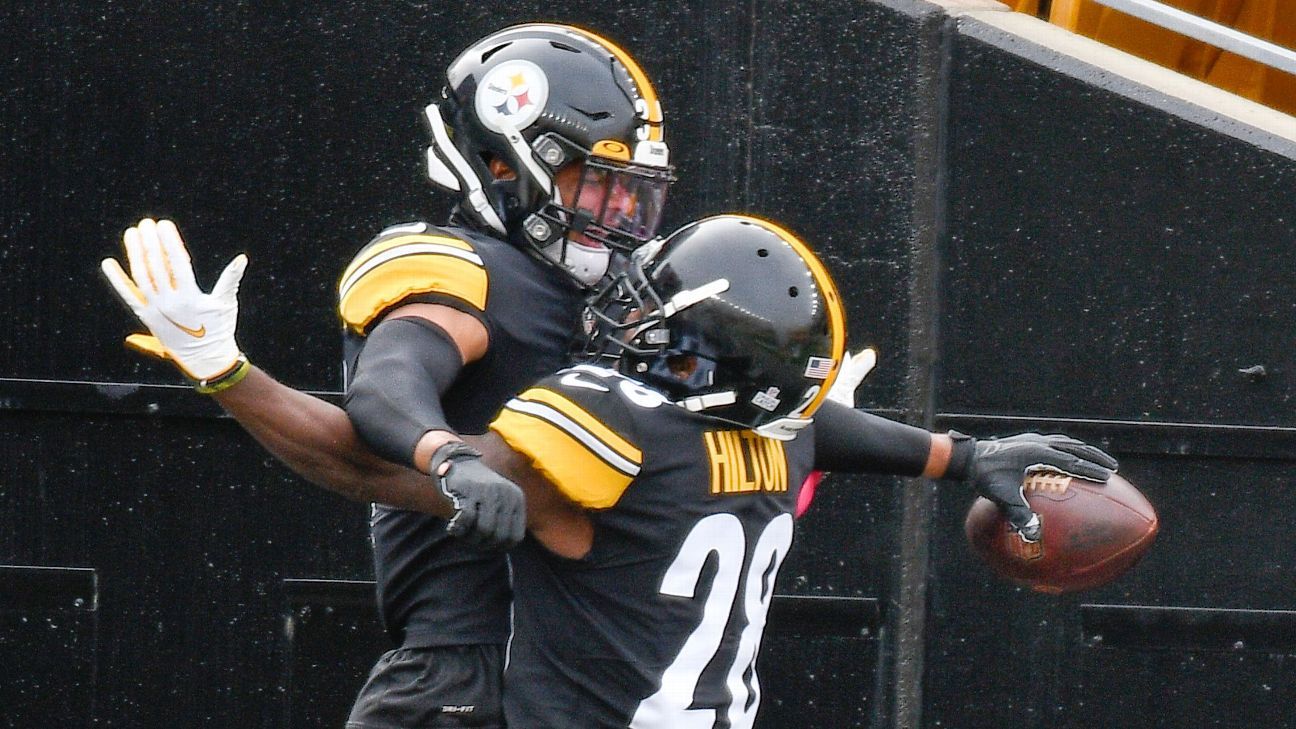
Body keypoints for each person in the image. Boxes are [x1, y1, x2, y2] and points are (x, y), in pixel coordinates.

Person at [102, 212, 1116, 727]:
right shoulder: (783, 434)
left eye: (653, 314)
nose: (627, 320)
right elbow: (826, 426)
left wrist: (226, 371)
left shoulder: (606, 423)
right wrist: (961, 455)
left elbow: (365, 467)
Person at [109, 22, 676, 729]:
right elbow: (386, 385)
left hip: (587, 675)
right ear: (505, 163)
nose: (618, 212)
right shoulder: (469, 272)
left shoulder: (607, 299)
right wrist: (448, 456)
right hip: (468, 668)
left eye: (630, 191)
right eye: (595, 184)